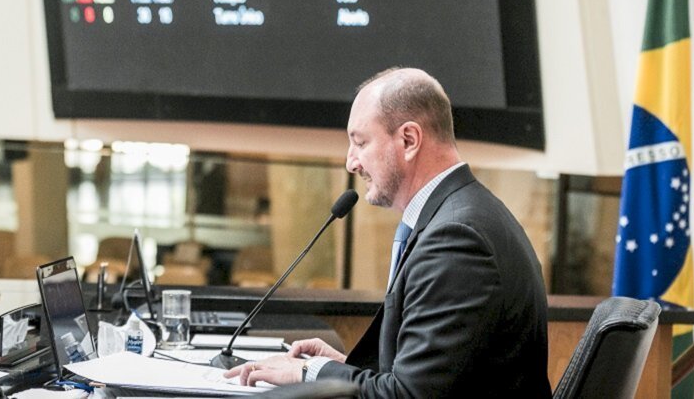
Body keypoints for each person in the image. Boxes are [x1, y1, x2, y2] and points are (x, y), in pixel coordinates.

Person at [224, 67, 551, 397]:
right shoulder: (460, 214)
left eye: (360, 142)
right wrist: (341, 368)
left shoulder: (456, 238)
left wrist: (311, 372)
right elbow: (435, 378)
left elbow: (408, 396)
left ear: (409, 140)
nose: (351, 163)